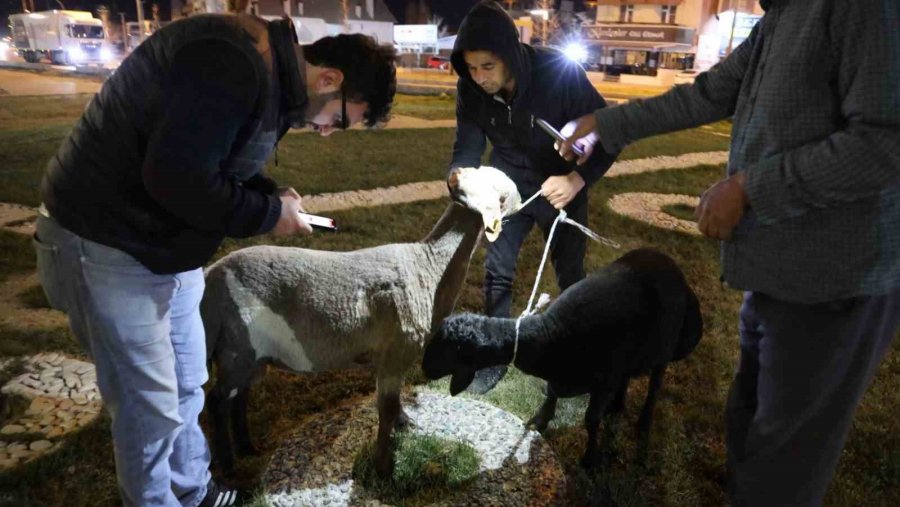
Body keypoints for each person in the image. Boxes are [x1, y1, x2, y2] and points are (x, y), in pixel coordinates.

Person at [32, 13, 396, 507]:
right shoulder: (234, 63)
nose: (328, 132)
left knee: (186, 384)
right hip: (107, 241)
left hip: (158, 245)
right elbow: (176, 177)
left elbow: (211, 160)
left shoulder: (268, 75)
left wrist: (269, 195)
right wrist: (270, 213)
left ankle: (194, 492)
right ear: (329, 79)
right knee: (149, 406)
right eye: (341, 119)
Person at [559, 0, 899, 505]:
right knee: (748, 429)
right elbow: (709, 94)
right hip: (777, 273)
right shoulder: (783, 17)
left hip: (833, 282)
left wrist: (750, 190)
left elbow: (884, 143)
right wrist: (606, 125)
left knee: (783, 462)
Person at [448, 1, 617, 393]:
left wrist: (577, 179)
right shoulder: (469, 89)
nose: (479, 78)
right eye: (470, 69)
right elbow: (466, 149)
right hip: (507, 186)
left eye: (487, 67)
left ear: (509, 55)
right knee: (497, 271)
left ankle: (577, 359)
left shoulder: (557, 72)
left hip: (560, 186)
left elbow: (609, 131)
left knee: (571, 277)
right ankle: (494, 356)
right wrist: (459, 178)